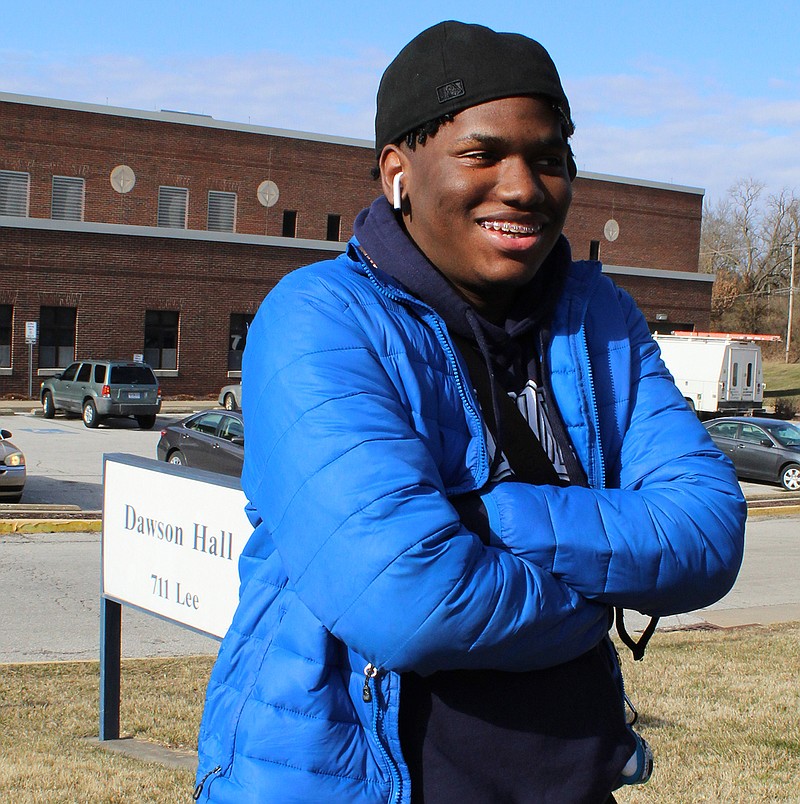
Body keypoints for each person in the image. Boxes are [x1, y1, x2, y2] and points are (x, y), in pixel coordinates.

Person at [195, 21, 746, 803]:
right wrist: (600, 598)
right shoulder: (320, 319)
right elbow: (407, 601)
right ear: (400, 172)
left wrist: (481, 518)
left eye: (549, 158)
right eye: (483, 154)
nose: (523, 186)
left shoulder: (598, 316)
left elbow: (707, 531)